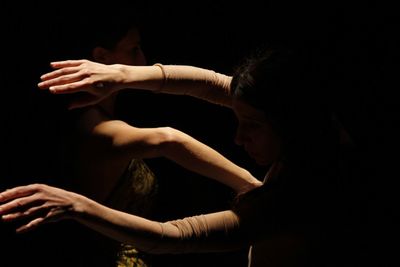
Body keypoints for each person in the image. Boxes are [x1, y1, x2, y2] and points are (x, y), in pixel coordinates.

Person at [0, 46, 360, 266]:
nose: (237, 137)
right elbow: (209, 84)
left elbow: (175, 236)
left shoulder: (300, 195)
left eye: (251, 125)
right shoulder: (318, 128)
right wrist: (123, 74)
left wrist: (78, 206)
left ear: (291, 123)